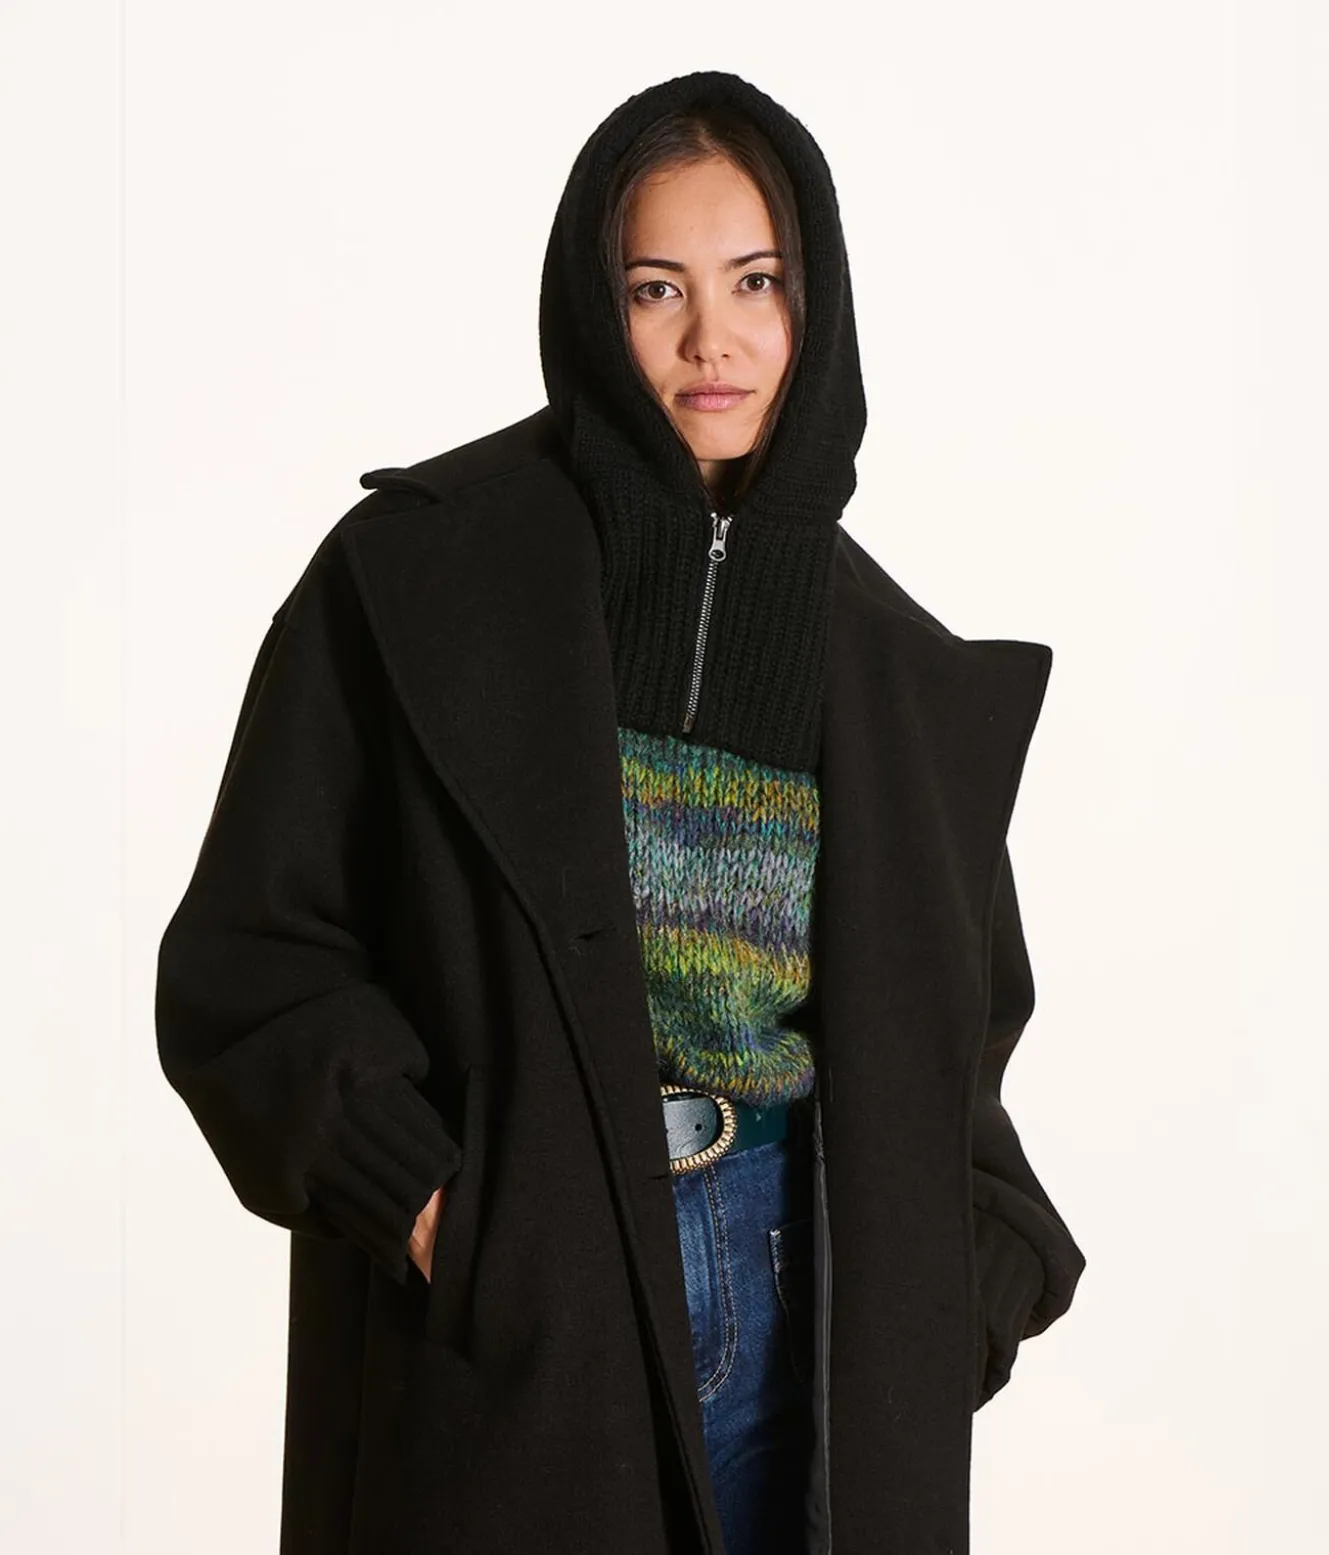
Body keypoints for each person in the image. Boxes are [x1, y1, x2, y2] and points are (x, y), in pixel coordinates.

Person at [155, 70, 1086, 1555]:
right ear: (595, 308)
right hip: (531, 1300)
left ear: (817, 304)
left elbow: (960, 1038)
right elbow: (251, 960)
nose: (713, 339)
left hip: (809, 1302)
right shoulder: (413, 580)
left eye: (756, 282)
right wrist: (439, 1213)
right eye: (658, 288)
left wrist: (951, 1295)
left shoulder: (896, 673)